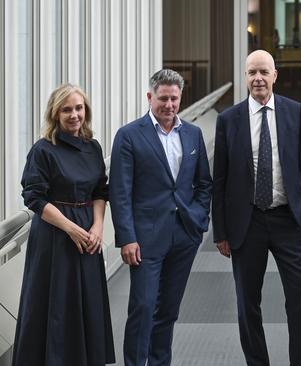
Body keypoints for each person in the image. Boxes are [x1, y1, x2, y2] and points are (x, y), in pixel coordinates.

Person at [212, 49, 301, 366]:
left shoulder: (294, 111)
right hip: (247, 223)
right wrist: (221, 231)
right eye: (251, 72)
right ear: (245, 77)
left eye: (263, 72)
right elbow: (221, 179)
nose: (257, 78)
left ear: (275, 75)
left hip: (288, 219)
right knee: (247, 303)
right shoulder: (228, 119)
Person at [109, 69, 212, 366]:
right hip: (144, 239)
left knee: (168, 310)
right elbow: (120, 191)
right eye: (163, 98)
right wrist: (126, 237)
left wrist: (199, 218)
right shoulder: (129, 135)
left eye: (174, 99)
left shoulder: (192, 134)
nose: (169, 105)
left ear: (181, 98)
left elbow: (204, 183)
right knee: (142, 307)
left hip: (184, 235)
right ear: (149, 97)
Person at [13, 84, 115, 365]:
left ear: (86, 110)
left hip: (88, 234)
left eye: (79, 108)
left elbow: (99, 191)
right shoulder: (43, 150)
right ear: (55, 114)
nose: (74, 115)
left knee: (86, 302)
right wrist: (71, 229)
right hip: (55, 236)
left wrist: (97, 227)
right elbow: (33, 197)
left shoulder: (92, 147)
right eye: (66, 109)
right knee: (54, 303)